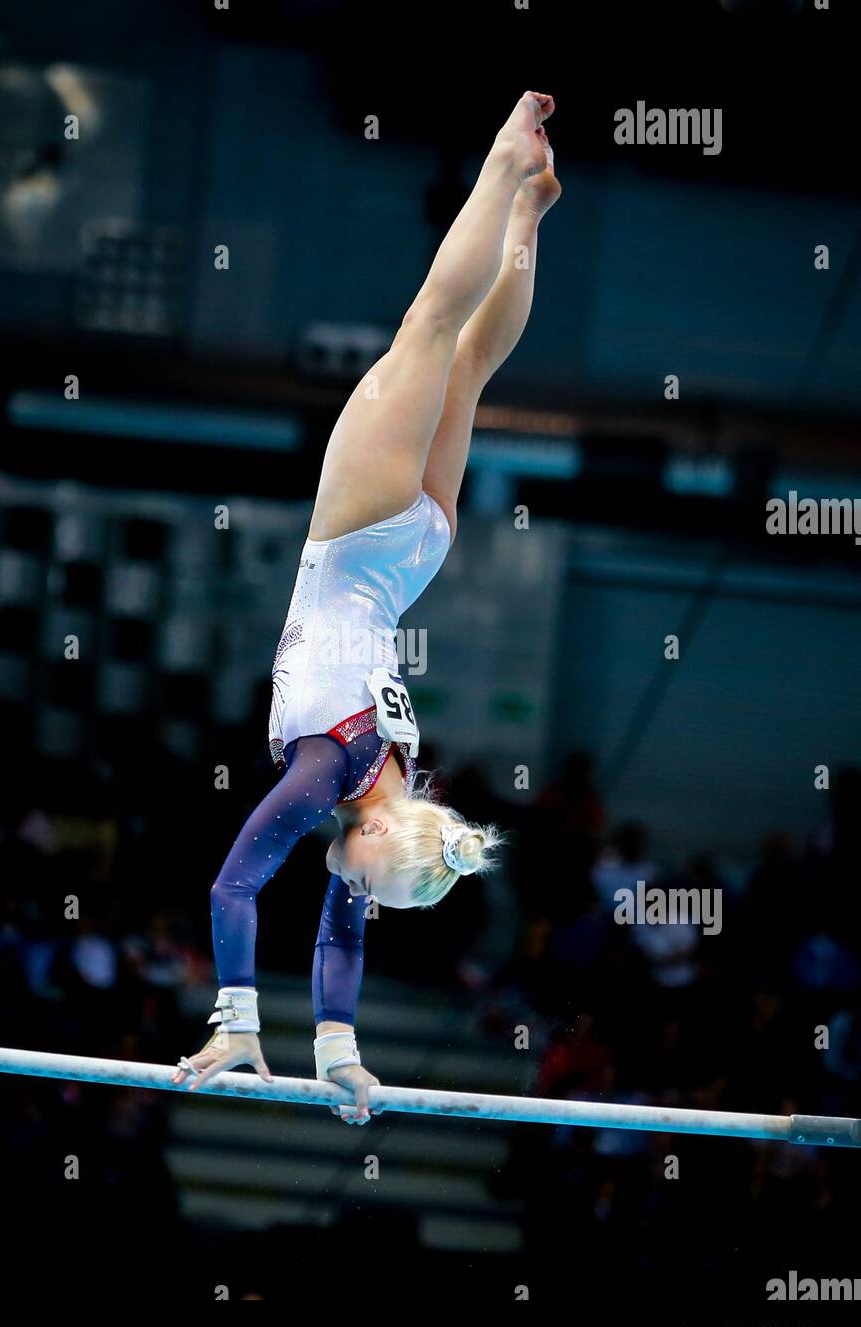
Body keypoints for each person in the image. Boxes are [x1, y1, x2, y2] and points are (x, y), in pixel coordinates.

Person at [174, 92, 562, 1122]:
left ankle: (525, 220)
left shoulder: (378, 788)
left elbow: (341, 935)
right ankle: (500, 160)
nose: (350, 887)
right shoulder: (328, 771)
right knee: (432, 328)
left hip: (417, 551)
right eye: (366, 878)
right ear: (387, 837)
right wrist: (238, 1018)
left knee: (469, 364)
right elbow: (233, 886)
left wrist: (343, 1058)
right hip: (363, 537)